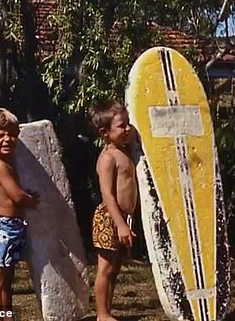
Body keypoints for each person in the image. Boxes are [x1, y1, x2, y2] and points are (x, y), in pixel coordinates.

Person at [0, 108, 39, 314]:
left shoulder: (6, 162)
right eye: (1, 135)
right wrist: (31, 200)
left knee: (6, 281)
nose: (8, 139)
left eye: (12, 134)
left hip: (12, 228)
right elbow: (16, 196)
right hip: (1, 228)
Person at [90, 100, 138, 321]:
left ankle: (107, 311)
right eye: (121, 126)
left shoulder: (126, 151)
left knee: (115, 269)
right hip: (109, 218)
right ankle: (101, 314)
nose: (127, 129)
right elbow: (107, 194)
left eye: (128, 123)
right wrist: (120, 224)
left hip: (123, 219)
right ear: (105, 132)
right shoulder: (108, 158)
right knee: (105, 268)